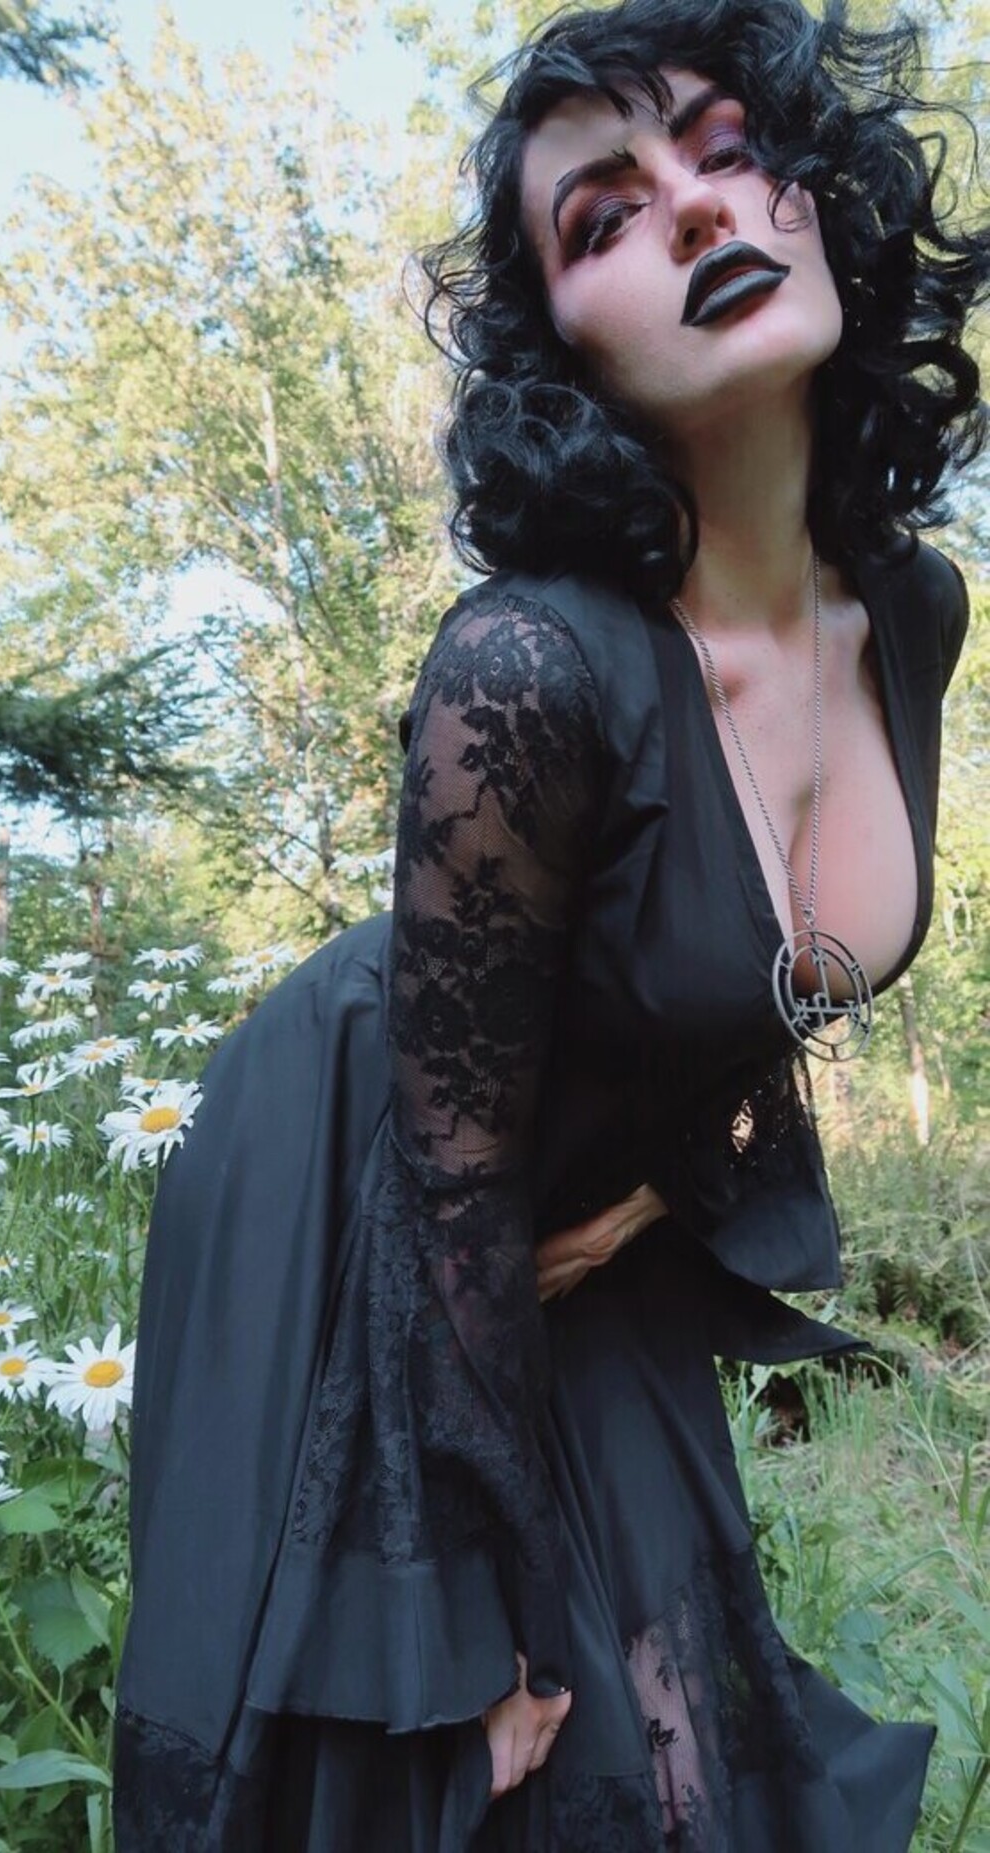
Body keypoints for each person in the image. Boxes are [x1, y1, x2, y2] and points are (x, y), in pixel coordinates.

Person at [112, 1, 988, 1846]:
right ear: (568, 353)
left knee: (691, 1743)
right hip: (360, 1183)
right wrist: (477, 1637)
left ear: (821, 195)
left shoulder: (915, 610)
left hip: (587, 1187)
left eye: (728, 145)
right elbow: (444, 1191)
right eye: (603, 215)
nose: (694, 207)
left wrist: (668, 1188)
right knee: (475, 1755)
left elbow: (742, 988)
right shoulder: (525, 674)